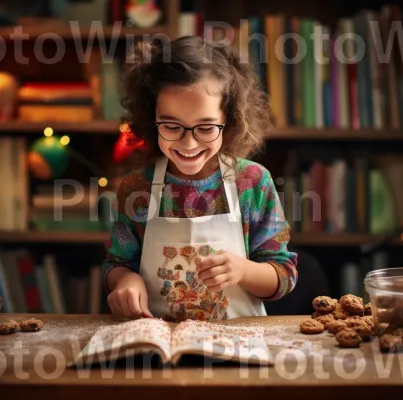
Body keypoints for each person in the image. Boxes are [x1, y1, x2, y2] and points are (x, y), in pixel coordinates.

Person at [102, 35, 298, 322]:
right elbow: (116, 263)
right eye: (171, 126)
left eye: (205, 128)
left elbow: (284, 274)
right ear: (150, 117)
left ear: (229, 120)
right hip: (157, 349)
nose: (189, 143)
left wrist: (244, 271)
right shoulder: (136, 189)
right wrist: (124, 281)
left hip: (237, 350)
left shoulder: (253, 183)